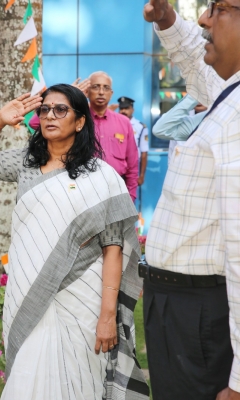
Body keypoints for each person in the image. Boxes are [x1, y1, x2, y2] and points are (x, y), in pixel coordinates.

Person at [0, 85, 148, 400]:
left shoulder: (102, 176)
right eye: (44, 109)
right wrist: (0, 120)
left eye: (61, 110)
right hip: (28, 291)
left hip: (82, 298)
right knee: (26, 378)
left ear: (80, 121)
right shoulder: (26, 164)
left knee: (80, 379)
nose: (49, 116)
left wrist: (107, 315)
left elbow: (114, 248)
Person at [142, 0, 240, 399]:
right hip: (178, 305)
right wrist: (166, 17)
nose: (203, 18)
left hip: (196, 311)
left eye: (218, 8)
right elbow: (195, 60)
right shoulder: (229, 94)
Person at [88, 72, 139, 201]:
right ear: (87, 91)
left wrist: (131, 197)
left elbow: (132, 164)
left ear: (111, 93)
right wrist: (72, 97)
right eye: (96, 87)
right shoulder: (78, 119)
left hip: (117, 191)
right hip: (86, 190)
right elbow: (35, 123)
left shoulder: (123, 122)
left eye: (106, 88)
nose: (101, 92)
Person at [152, 95, 208, 162]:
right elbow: (172, 150)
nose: (199, 101)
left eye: (204, 96)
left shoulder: (217, 121)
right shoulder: (180, 119)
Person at [117, 97, 149, 186]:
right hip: (116, 167)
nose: (123, 111)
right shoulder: (114, 125)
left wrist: (142, 175)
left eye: (126, 108)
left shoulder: (141, 127)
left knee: (130, 196)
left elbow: (144, 153)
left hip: (132, 167)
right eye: (121, 108)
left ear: (132, 110)